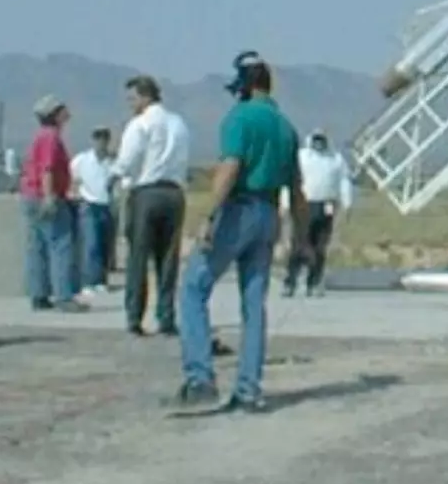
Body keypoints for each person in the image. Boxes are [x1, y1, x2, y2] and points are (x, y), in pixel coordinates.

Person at [170, 51, 305, 413]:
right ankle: (249, 388)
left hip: (238, 210)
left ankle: (200, 378)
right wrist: (299, 235)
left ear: (244, 86)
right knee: (253, 302)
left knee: (194, 287)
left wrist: (209, 216)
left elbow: (230, 167)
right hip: (269, 213)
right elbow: (298, 186)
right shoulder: (286, 126)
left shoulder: (240, 119)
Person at [115, 73, 191, 337]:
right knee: (168, 259)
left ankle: (135, 316)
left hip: (146, 191)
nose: (130, 103)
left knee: (138, 256)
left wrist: (116, 175)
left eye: (132, 98)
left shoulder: (140, 124)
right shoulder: (178, 123)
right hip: (174, 192)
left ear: (145, 97)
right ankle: (166, 316)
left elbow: (128, 160)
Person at [21, 95, 82, 312]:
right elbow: (47, 168)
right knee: (60, 244)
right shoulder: (51, 138)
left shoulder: (42, 136)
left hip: (31, 195)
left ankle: (39, 294)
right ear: (54, 114)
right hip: (45, 195)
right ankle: (64, 295)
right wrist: (49, 196)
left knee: (37, 246)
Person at [282, 128, 353, 298]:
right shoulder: (301, 157)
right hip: (304, 205)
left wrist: (347, 203)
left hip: (326, 206)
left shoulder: (336, 160)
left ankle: (314, 282)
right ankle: (291, 281)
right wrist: (285, 203)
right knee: (300, 244)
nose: (319, 143)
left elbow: (344, 181)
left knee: (320, 247)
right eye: (316, 139)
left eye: (322, 140)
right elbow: (291, 180)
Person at [69, 125, 122, 300]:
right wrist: (76, 198)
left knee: (105, 244)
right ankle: (87, 282)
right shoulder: (82, 160)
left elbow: (119, 183)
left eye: (104, 138)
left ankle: (101, 280)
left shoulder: (113, 162)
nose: (101, 141)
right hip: (89, 204)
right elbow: (74, 180)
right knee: (90, 243)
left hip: (107, 205)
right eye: (97, 137)